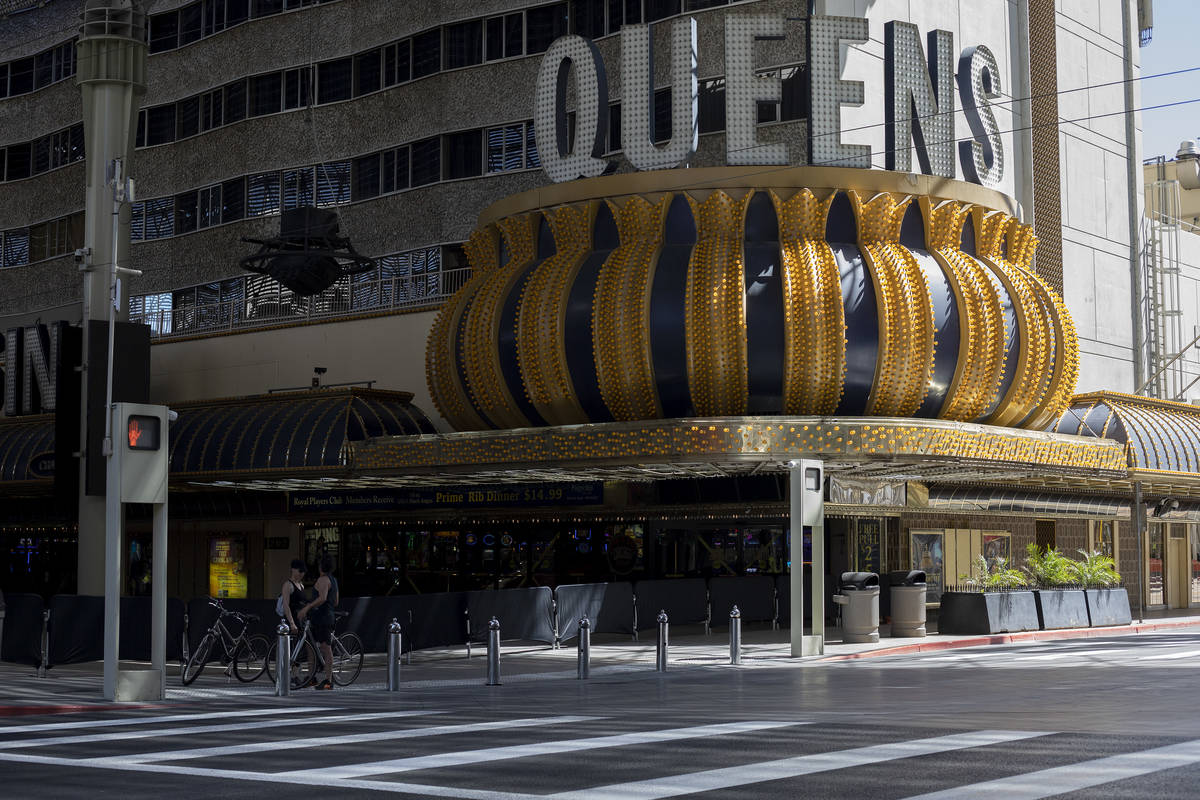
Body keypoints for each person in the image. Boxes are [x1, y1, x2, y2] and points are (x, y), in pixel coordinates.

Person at [299, 555, 337, 690]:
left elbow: (322, 598)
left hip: (322, 618)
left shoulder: (322, 579)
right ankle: (311, 677)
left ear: (321, 567)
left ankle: (328, 680)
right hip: (325, 616)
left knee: (326, 648)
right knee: (311, 646)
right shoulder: (333, 580)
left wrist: (308, 607)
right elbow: (335, 601)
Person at [280, 558, 307, 636]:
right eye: (300, 571)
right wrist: (292, 623)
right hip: (292, 619)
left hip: (301, 620)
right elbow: (286, 605)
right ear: (293, 570)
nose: (302, 574)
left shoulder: (301, 585)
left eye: (303, 572)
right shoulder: (288, 585)